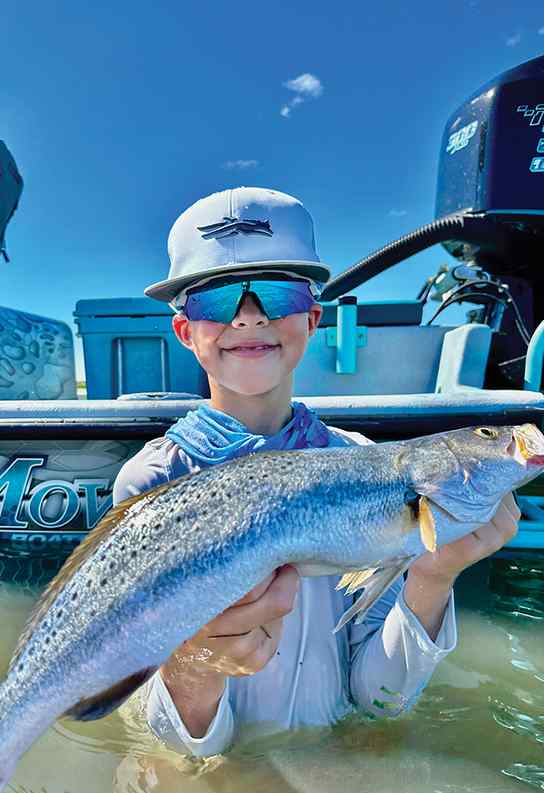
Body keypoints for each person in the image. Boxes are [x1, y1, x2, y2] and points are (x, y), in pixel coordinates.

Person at [112, 186, 520, 758]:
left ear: (311, 319)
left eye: (275, 294)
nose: (249, 318)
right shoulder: (152, 481)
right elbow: (179, 749)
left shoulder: (367, 463)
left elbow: (378, 703)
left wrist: (433, 575)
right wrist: (196, 661)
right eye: (217, 299)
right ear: (186, 331)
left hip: (337, 772)